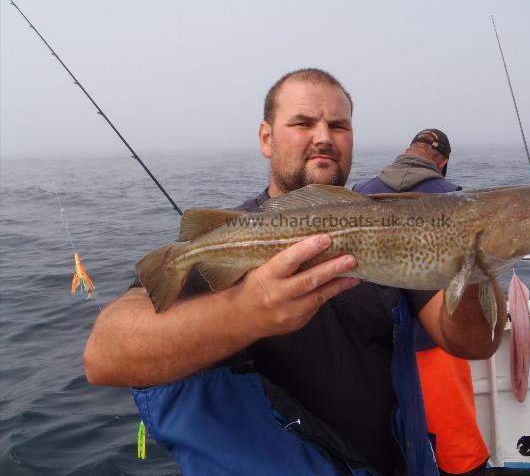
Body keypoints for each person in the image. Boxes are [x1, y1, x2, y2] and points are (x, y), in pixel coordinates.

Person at [83, 69, 506, 476]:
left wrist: (474, 259)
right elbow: (103, 357)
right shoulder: (231, 236)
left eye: (339, 126)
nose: (323, 137)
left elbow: (474, 342)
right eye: (302, 122)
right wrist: (244, 312)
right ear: (266, 138)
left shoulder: (394, 224)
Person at [353, 130, 489, 476]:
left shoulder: (361, 192)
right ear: (442, 162)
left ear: (406, 152)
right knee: (455, 448)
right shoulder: (454, 198)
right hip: (433, 339)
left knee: (387, 440)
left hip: (372, 340)